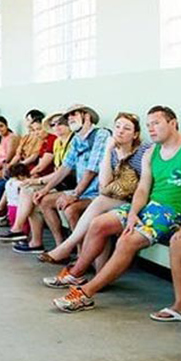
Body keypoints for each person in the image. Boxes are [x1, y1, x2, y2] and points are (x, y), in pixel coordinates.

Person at [50, 106, 181, 313]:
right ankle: (76, 272)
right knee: (99, 223)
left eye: (157, 123)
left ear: (173, 123)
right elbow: (143, 188)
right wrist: (134, 213)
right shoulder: (152, 152)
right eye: (148, 124)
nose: (151, 129)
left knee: (127, 240)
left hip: (173, 213)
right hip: (149, 207)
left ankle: (86, 293)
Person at [34, 113, 151, 264]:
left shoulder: (144, 149)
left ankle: (72, 253)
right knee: (44, 200)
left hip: (132, 200)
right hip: (112, 198)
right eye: (117, 127)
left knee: (93, 209)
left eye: (127, 128)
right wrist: (108, 151)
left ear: (135, 134)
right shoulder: (111, 151)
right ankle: (70, 253)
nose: (120, 131)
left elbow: (94, 176)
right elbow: (104, 184)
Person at [13, 104, 110, 254]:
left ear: (87, 116)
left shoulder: (101, 135)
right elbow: (65, 167)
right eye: (68, 116)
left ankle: (80, 254)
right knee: (43, 200)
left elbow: (92, 170)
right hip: (82, 191)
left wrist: (74, 194)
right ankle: (61, 247)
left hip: (98, 193)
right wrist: (44, 190)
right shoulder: (77, 139)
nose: (70, 118)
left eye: (74, 114)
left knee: (71, 209)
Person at [0, 113, 73, 243]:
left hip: (66, 184)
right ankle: (27, 236)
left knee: (30, 192)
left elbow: (61, 171)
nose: (57, 127)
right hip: (54, 181)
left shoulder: (68, 141)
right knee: (27, 191)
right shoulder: (58, 142)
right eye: (54, 125)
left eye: (61, 123)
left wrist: (36, 180)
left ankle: (23, 231)